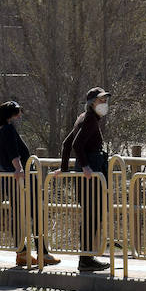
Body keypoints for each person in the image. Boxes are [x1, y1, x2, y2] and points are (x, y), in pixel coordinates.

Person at [0, 101, 58, 267]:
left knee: (18, 215)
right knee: (35, 213)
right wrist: (19, 169)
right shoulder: (9, 129)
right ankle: (42, 252)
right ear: (11, 114)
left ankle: (22, 252)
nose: (20, 115)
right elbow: (13, 151)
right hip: (22, 179)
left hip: (9, 180)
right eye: (18, 112)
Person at [60, 88, 111, 272]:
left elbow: (66, 144)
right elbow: (75, 144)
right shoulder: (89, 119)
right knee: (93, 216)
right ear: (91, 103)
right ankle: (86, 259)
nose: (104, 103)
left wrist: (65, 168)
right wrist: (86, 166)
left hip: (88, 173)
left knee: (91, 215)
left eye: (105, 100)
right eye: (100, 100)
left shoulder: (83, 117)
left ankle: (87, 257)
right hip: (91, 174)